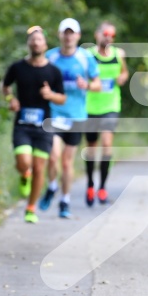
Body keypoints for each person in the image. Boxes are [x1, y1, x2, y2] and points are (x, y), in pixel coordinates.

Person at [0, 26, 66, 223]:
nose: (36, 43)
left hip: (44, 126)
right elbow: (4, 85)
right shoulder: (17, 67)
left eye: (39, 40)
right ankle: (23, 173)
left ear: (45, 45)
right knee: (24, 162)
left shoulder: (53, 71)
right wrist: (10, 99)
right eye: (33, 40)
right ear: (28, 44)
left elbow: (62, 98)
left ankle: (30, 208)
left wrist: (50, 95)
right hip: (22, 124)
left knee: (39, 168)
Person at [38, 18, 101, 218]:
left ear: (78, 36)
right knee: (53, 157)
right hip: (54, 114)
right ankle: (52, 186)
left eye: (72, 32)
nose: (68, 36)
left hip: (76, 116)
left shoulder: (85, 58)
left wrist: (88, 86)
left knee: (67, 162)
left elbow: (98, 84)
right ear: (60, 35)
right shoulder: (51, 56)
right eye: (65, 32)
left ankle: (65, 201)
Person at [84, 21, 129, 206]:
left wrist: (122, 78)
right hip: (91, 107)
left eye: (111, 34)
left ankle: (102, 187)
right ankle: (90, 184)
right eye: (105, 34)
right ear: (97, 35)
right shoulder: (88, 55)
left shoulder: (119, 54)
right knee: (91, 147)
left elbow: (124, 73)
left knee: (107, 143)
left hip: (111, 106)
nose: (108, 37)